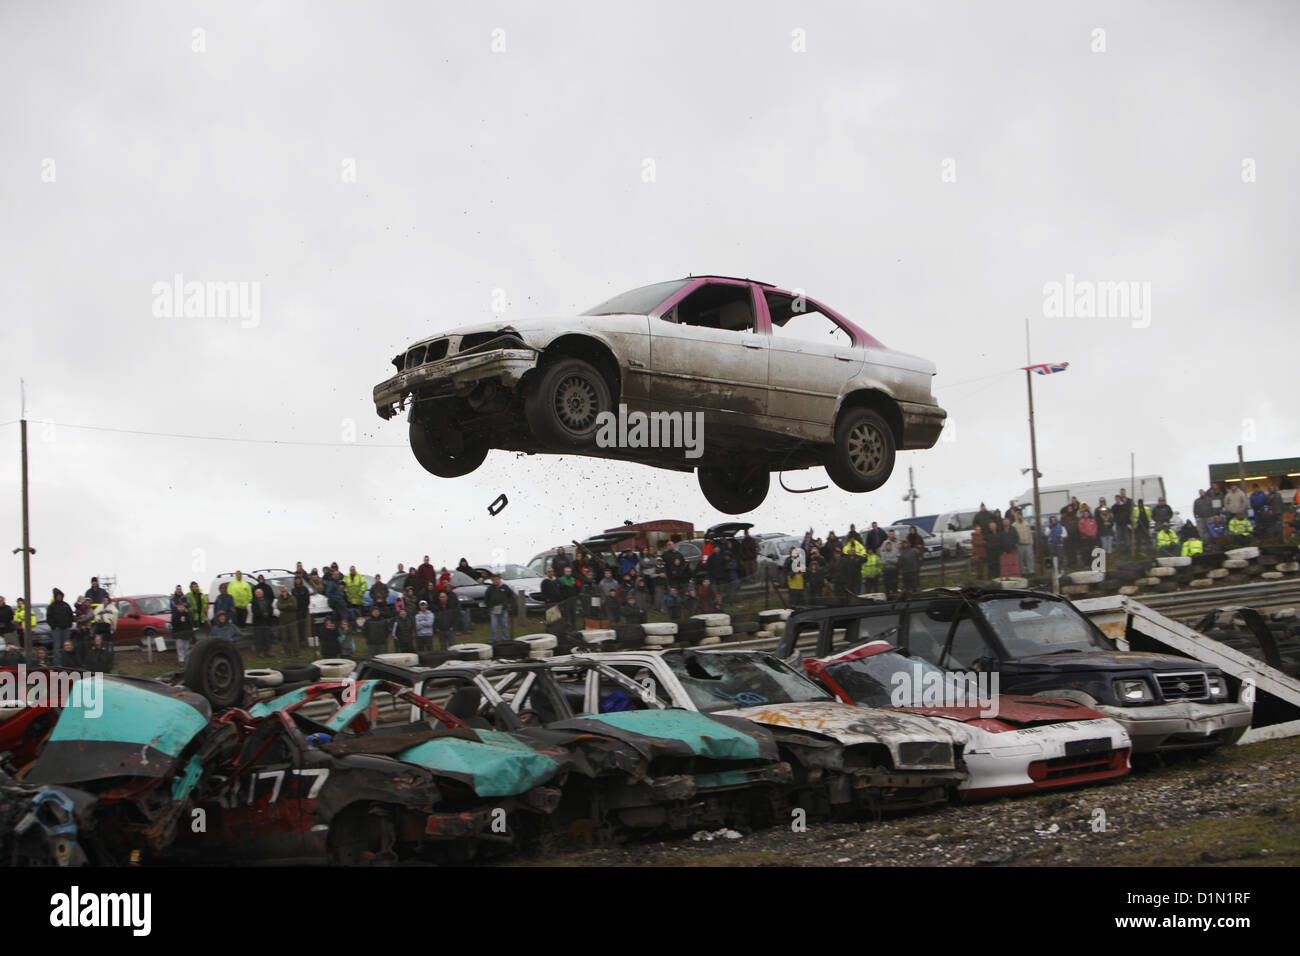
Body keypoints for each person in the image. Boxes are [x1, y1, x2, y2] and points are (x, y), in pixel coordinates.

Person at [484, 573, 512, 643]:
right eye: (494, 580)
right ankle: (493, 639)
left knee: (504, 624)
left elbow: (510, 596)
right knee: (494, 625)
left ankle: (505, 638)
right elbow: (486, 598)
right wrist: (490, 606)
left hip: (503, 609)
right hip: (494, 609)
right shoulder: (490, 588)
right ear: (492, 581)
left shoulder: (505, 587)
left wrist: (506, 604)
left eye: (497, 579)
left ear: (499, 579)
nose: (496, 581)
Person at [171, 585, 195, 664]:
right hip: (178, 632)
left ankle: (186, 659)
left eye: (180, 589)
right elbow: (173, 623)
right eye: (178, 589)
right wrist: (179, 621)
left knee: (186, 646)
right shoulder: (175, 614)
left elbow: (190, 621)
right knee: (179, 646)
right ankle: (181, 660)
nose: (181, 608)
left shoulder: (187, 613)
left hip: (186, 632)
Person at [249, 586, 275, 658]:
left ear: (262, 593)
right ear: (255, 594)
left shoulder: (267, 600)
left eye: (260, 592)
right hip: (258, 622)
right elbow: (254, 611)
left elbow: (271, 609)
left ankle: (268, 651)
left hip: (266, 622)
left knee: (267, 637)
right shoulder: (253, 602)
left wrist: (268, 614)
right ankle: (260, 652)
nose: (259, 594)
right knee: (259, 638)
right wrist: (262, 614)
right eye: (257, 593)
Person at [47, 588, 74, 653]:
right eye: (58, 596)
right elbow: (49, 617)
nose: (59, 597)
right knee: (57, 646)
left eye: (60, 596)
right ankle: (57, 662)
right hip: (56, 629)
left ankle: (67, 660)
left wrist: (69, 624)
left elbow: (71, 615)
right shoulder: (52, 606)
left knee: (67, 645)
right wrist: (54, 626)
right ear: (55, 596)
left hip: (66, 628)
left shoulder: (66, 605)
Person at [277, 584, 299, 654]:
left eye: (283, 587)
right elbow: (279, 606)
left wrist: (284, 607)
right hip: (283, 620)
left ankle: (296, 652)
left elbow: (294, 606)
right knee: (284, 637)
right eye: (281, 588)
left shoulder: (292, 597)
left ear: (286, 588)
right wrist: (288, 605)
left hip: (292, 619)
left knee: (294, 636)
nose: (282, 589)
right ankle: (287, 652)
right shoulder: (279, 598)